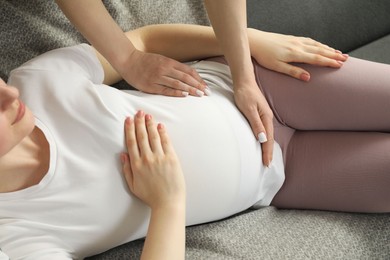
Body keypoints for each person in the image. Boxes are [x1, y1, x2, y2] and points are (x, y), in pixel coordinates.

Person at [0, 24, 389, 259]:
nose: (10, 97)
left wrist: (253, 41)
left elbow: (143, 40)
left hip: (264, 85)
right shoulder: (17, 233)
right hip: (284, 177)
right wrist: (167, 203)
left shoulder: (37, 81)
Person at [55, 0, 348, 167]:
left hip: (235, 70)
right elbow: (143, 42)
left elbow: (147, 39)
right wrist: (128, 60)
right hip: (273, 178)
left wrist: (245, 70)